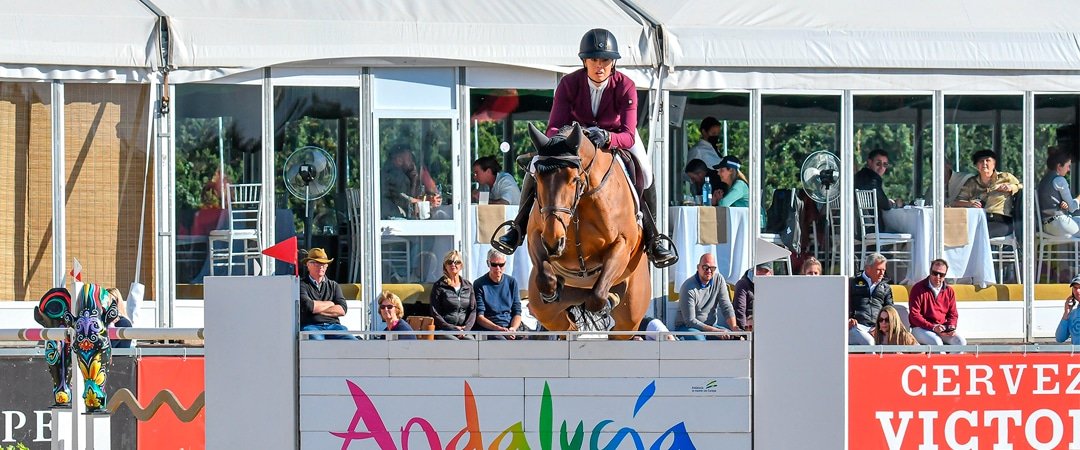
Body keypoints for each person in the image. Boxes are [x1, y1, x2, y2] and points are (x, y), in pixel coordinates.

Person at [494, 28, 678, 268]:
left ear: (613, 63)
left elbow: (629, 134)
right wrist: (559, 141)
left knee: (645, 169)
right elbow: (554, 127)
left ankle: (654, 238)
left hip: (615, 137)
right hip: (574, 141)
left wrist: (608, 138)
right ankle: (517, 227)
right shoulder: (568, 84)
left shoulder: (626, 86)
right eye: (593, 60)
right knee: (536, 164)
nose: (599, 66)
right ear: (584, 61)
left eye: (605, 60)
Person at [953, 149, 1022, 238]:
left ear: (994, 164)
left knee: (979, 233)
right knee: (960, 232)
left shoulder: (1005, 177)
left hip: (1002, 221)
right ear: (976, 166)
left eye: (988, 160)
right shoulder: (972, 183)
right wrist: (970, 203)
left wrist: (1012, 187)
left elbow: (1025, 186)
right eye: (981, 161)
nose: (984, 163)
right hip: (979, 219)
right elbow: (956, 202)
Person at [674, 253, 738, 340]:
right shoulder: (688, 287)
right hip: (687, 327)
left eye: (712, 268)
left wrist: (734, 328)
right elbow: (690, 321)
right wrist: (714, 331)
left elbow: (726, 306)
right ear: (698, 267)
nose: (709, 271)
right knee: (700, 341)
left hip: (711, 326)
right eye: (705, 267)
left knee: (732, 338)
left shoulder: (719, 280)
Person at [299, 248, 357, 340]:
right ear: (308, 265)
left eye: (323, 263)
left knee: (353, 342)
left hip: (334, 326)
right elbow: (308, 306)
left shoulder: (334, 285)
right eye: (316, 263)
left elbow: (342, 310)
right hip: (311, 326)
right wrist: (331, 303)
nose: (321, 266)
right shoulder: (301, 284)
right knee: (318, 345)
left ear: (326, 266)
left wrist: (315, 309)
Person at [908, 259, 966, 346]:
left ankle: (952, 360)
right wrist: (933, 327)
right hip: (920, 328)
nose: (937, 277)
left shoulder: (949, 291)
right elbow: (914, 315)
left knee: (960, 342)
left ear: (945, 275)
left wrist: (951, 327)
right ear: (930, 271)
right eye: (935, 273)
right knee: (937, 342)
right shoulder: (918, 288)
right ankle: (941, 360)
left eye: (941, 275)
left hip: (941, 327)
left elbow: (953, 314)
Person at [380, 144, 441, 219]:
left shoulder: (398, 174)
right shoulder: (394, 174)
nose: (412, 162)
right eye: (409, 159)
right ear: (399, 160)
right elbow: (405, 200)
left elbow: (408, 199)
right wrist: (428, 202)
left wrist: (414, 180)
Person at [472, 249, 523, 340]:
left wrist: (513, 328)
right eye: (494, 265)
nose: (498, 268)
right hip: (490, 328)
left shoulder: (512, 282)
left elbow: (517, 311)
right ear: (488, 264)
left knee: (530, 340)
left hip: (509, 325)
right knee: (502, 342)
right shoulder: (479, 284)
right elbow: (480, 317)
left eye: (501, 265)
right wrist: (498, 329)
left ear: (505, 264)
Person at [429, 250, 476, 340]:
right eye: (449, 262)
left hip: (464, 330)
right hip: (444, 330)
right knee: (454, 342)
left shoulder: (468, 286)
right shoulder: (439, 286)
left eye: (457, 262)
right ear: (445, 266)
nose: (453, 265)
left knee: (471, 341)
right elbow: (435, 312)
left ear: (461, 265)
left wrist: (465, 329)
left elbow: (473, 310)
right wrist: (453, 329)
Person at [849, 253, 894, 345]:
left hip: (879, 326)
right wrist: (849, 318)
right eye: (879, 270)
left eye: (883, 270)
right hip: (856, 325)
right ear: (867, 269)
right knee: (869, 342)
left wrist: (880, 325)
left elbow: (890, 310)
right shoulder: (852, 282)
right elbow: (843, 304)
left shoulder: (886, 287)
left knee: (901, 340)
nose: (882, 273)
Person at [853, 149, 899, 232]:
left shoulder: (857, 176)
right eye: (878, 163)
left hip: (853, 226)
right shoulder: (873, 179)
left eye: (885, 164)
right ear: (869, 162)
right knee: (902, 232)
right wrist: (893, 203)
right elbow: (885, 205)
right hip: (870, 228)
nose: (881, 168)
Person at [1037, 148, 1080, 237]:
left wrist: (1063, 204)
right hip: (1059, 224)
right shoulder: (1059, 180)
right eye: (1068, 166)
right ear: (1059, 166)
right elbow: (1072, 208)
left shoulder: (1044, 180)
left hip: (1046, 225)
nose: (1068, 169)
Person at [733, 264, 771, 331]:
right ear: (753, 270)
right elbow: (740, 310)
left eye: (765, 271)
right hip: (750, 327)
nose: (762, 273)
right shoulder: (742, 284)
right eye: (759, 270)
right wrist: (744, 332)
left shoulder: (772, 285)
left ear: (771, 273)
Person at [1056, 275, 1080, 343]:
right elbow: (1060, 338)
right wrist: (1066, 313)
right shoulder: (1072, 314)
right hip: (1076, 353)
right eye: (1075, 288)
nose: (1077, 291)